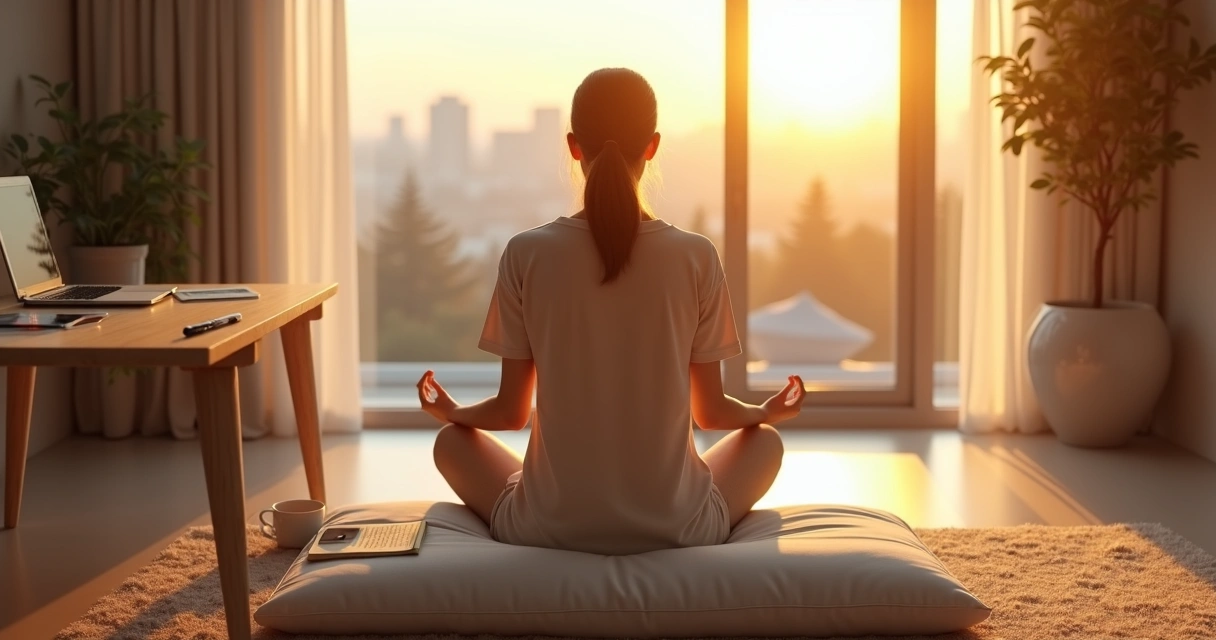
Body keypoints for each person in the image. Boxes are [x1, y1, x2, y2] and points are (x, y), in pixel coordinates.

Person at [417, 67, 805, 555]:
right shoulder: (696, 255)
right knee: (765, 441)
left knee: (451, 442)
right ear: (654, 145)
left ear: (574, 146)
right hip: (678, 527)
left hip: (547, 528)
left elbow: (512, 412)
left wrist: (450, 411)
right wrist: (765, 410)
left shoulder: (526, 253)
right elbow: (711, 412)